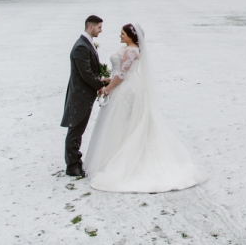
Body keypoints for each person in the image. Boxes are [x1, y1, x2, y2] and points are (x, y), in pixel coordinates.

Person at [85, 23, 206, 193]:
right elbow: (119, 72)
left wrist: (108, 89)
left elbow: (122, 74)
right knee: (125, 123)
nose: (120, 36)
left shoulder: (131, 51)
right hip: (127, 86)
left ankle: (120, 159)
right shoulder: (131, 49)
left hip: (127, 89)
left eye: (122, 34)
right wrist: (109, 79)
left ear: (130, 36)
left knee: (123, 123)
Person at [61, 14, 107, 177]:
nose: (101, 30)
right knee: (75, 131)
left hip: (82, 95)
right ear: (91, 27)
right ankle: (72, 166)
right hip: (79, 96)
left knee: (77, 131)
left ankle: (75, 162)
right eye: (99, 27)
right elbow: (86, 73)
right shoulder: (81, 46)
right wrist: (100, 85)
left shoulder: (85, 44)